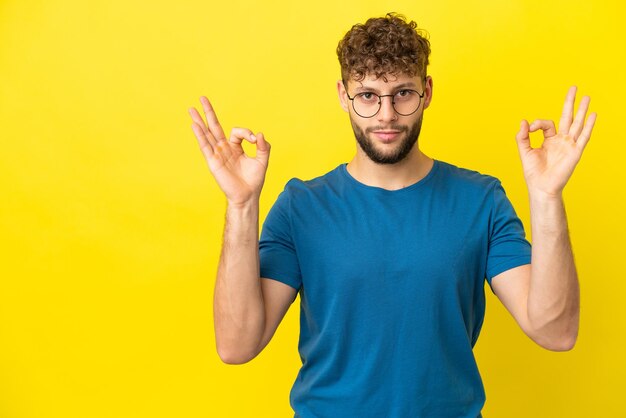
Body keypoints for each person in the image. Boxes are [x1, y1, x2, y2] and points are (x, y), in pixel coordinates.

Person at [188, 13, 596, 418]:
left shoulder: (480, 201)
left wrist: (546, 197)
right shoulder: (301, 207)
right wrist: (241, 206)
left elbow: (555, 331)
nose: (386, 115)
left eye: (402, 93)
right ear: (342, 95)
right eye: (367, 95)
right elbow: (237, 345)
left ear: (427, 91)